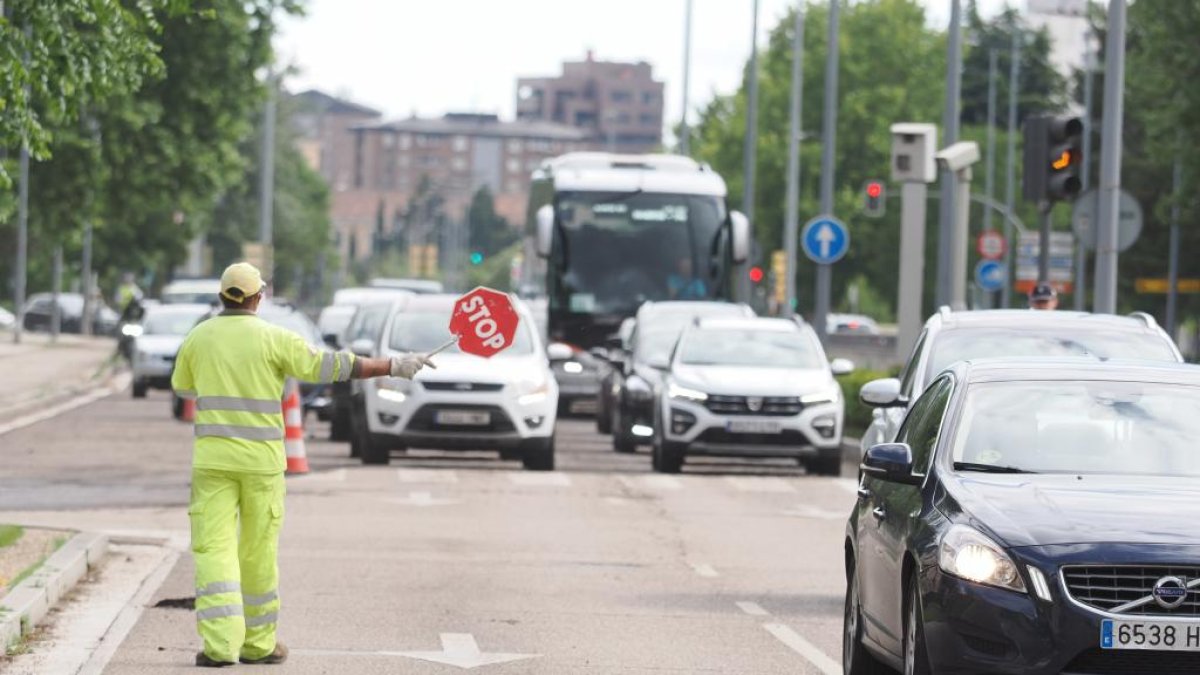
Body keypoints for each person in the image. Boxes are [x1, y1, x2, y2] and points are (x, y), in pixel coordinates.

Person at [171, 263, 434, 668]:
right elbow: (330, 366)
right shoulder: (274, 338)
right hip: (262, 465)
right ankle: (258, 645)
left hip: (213, 463)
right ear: (259, 298)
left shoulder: (198, 337)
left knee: (213, 550)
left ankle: (219, 646)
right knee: (258, 553)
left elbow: (183, 387)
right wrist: (393, 366)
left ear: (223, 297)